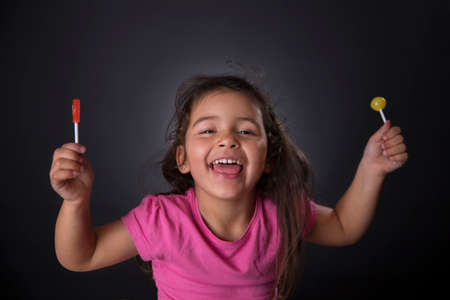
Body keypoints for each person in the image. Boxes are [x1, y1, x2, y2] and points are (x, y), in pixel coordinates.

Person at [50, 74, 408, 300]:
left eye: (246, 131)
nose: (227, 141)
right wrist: (76, 200)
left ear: (268, 158)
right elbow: (81, 257)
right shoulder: (162, 220)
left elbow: (344, 227)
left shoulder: (282, 210)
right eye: (208, 130)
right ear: (183, 159)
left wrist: (371, 169)